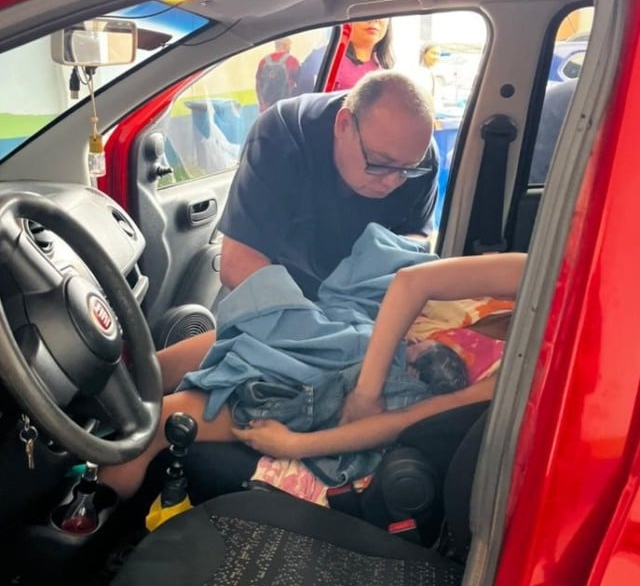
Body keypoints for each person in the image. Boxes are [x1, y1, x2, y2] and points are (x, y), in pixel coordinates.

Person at [98, 250, 525, 499]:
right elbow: (411, 282)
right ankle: (82, 424)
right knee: (162, 364)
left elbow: (407, 420)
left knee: (150, 426)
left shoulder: (523, 370)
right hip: (350, 341)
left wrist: (295, 444)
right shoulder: (537, 273)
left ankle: (87, 532)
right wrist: (370, 382)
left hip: (333, 386)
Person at [219, 69, 440, 300]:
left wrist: (383, 275)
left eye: (407, 169)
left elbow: (416, 236)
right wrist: (310, 317)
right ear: (343, 125)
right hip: (278, 291)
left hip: (362, 299)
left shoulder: (419, 158)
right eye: (379, 163)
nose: (393, 181)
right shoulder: (282, 136)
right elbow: (239, 262)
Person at [332, 18, 395, 91]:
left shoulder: (386, 71)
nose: (374, 19)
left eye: (381, 13)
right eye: (365, 12)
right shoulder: (330, 61)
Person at [254, 36, 300, 112]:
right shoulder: (293, 60)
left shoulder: (263, 61)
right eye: (289, 46)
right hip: (287, 106)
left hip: (268, 107)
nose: (290, 48)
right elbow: (299, 84)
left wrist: (262, 105)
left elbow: (258, 85)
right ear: (285, 46)